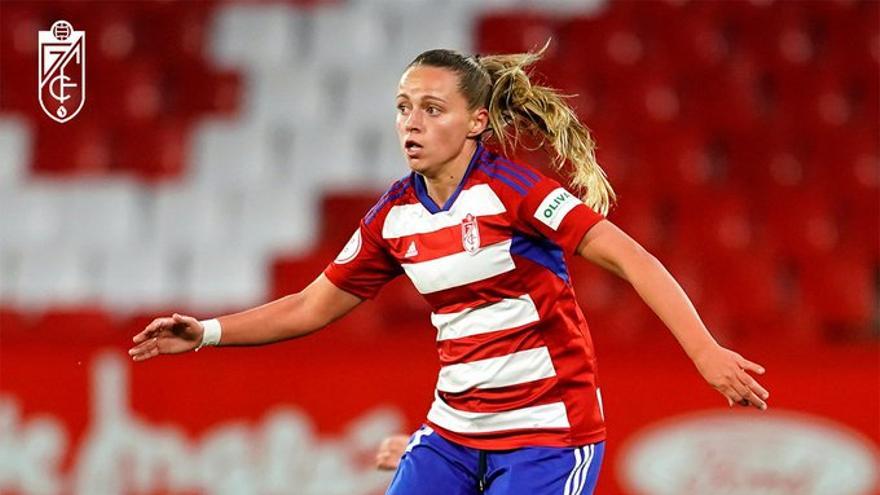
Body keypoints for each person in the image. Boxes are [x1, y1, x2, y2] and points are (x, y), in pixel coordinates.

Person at [129, 46, 770, 495]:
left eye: (433, 108)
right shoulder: (393, 215)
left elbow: (632, 257)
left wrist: (705, 351)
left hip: (549, 433)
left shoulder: (515, 191)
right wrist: (207, 333)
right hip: (454, 432)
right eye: (404, 106)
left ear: (476, 122)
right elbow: (309, 306)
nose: (412, 121)